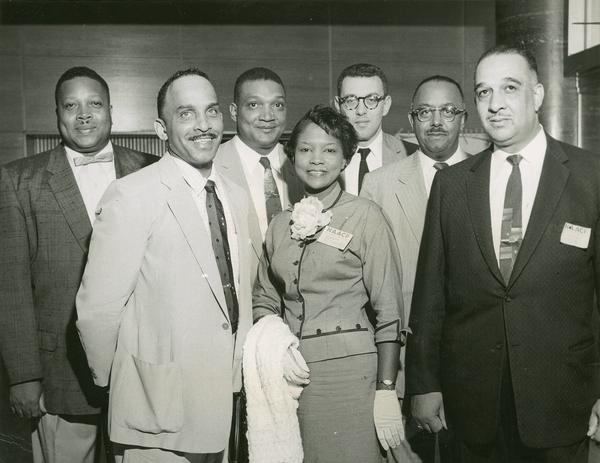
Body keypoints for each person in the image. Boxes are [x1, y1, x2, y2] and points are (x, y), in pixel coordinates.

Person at [406, 44, 600, 463]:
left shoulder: (590, 178)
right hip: (473, 404)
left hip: (562, 403)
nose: (494, 105)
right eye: (483, 92)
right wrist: (423, 384)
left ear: (538, 95)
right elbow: (430, 295)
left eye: (509, 88)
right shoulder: (453, 186)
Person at [76, 68, 252, 462]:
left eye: (211, 112)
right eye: (186, 114)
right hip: (156, 417)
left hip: (225, 407)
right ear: (161, 128)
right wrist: (126, 384)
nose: (204, 126)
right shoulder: (131, 194)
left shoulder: (236, 196)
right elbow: (97, 313)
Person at [0, 66, 156, 463]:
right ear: (57, 114)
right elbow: (11, 287)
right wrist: (24, 376)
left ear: (111, 111)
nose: (84, 115)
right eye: (71, 105)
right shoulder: (18, 180)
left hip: (141, 367)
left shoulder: (152, 169)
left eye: (94, 104)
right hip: (59, 372)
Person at [252, 105, 407, 463]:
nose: (316, 159)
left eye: (329, 149)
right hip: (290, 377)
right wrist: (277, 343)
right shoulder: (279, 225)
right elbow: (265, 296)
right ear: (292, 158)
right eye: (305, 149)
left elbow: (389, 309)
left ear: (346, 159)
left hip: (352, 376)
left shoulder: (366, 216)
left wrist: (386, 389)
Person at [361, 75, 468, 462]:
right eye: (425, 112)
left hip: (475, 363)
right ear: (410, 119)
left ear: (464, 118)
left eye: (448, 111)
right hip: (405, 362)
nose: (436, 121)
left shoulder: (487, 176)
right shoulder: (379, 184)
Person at [214, 67, 303, 278]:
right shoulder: (212, 166)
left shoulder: (303, 166)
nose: (268, 116)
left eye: (277, 105)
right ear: (234, 111)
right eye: (254, 105)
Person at [334, 63, 418, 195]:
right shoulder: (323, 158)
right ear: (338, 106)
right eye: (351, 100)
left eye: (371, 100)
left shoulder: (412, 156)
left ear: (386, 105)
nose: (361, 111)